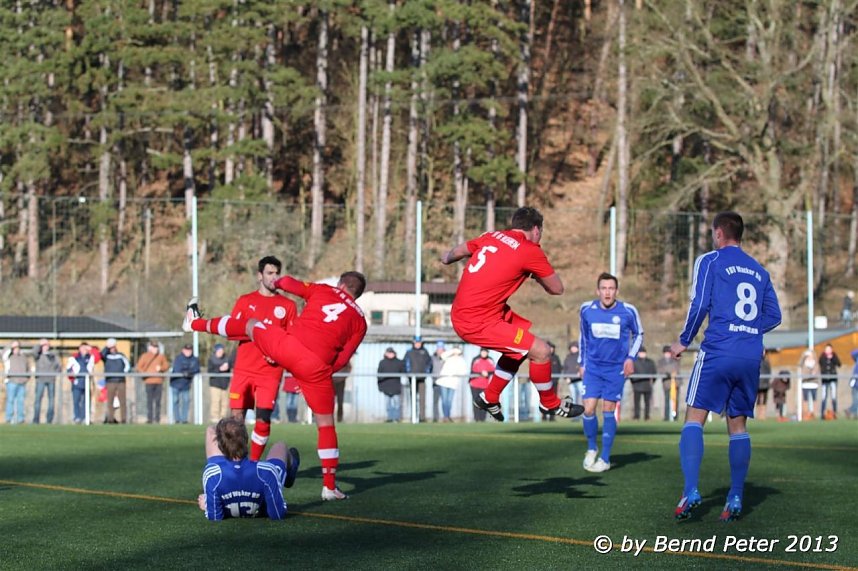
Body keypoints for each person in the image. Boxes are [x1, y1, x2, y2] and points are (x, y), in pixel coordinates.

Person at [185, 270, 367, 501]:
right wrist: (316, 375)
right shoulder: (360, 321)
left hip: (287, 346)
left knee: (250, 325)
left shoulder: (324, 290)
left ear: (340, 283)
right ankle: (329, 487)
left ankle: (196, 323)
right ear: (357, 295)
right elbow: (343, 358)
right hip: (317, 367)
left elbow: (291, 284)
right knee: (326, 425)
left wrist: (278, 281)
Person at [669, 212, 781, 523]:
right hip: (749, 355)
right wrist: (747, 329)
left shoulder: (710, 261)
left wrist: (683, 341)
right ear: (740, 234)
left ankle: (690, 490)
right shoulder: (759, 271)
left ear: (718, 233)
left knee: (694, 418)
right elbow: (775, 316)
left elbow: (700, 302)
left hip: (718, 350)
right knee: (738, 427)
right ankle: (735, 497)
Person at [440, 206, 582, 422]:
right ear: (536, 229)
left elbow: (457, 252)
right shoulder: (529, 250)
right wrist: (537, 275)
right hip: (477, 321)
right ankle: (550, 403)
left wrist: (446, 258)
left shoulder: (491, 236)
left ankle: (490, 396)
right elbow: (557, 288)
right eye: (540, 232)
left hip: (472, 311)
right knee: (542, 351)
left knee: (518, 345)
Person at [225, 256, 297, 460]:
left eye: (277, 273)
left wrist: (279, 354)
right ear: (259, 275)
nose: (274, 278)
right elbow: (231, 331)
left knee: (263, 420)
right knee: (236, 419)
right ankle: (236, 462)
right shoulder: (245, 301)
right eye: (269, 273)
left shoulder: (288, 306)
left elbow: (291, 340)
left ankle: (254, 463)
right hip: (244, 370)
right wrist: (255, 332)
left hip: (270, 373)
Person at [578, 272, 644, 472]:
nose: (607, 292)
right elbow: (583, 337)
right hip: (593, 367)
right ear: (598, 291)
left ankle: (605, 458)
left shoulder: (628, 311)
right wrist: (582, 362)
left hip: (615, 369)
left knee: (608, 409)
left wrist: (630, 358)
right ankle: (591, 447)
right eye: (604, 288)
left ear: (616, 291)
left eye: (611, 288)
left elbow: (639, 334)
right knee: (588, 409)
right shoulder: (586, 310)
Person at [199, 418, 300, 521]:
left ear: (220, 447)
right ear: (246, 439)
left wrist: (207, 504)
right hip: (260, 475)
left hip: (223, 474)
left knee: (211, 430)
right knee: (280, 446)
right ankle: (291, 471)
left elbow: (214, 517)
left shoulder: (212, 474)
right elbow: (278, 514)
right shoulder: (268, 471)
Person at [136, 340, 170, 424]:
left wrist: (161, 368)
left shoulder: (161, 356)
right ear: (150, 347)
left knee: (158, 401)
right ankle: (150, 418)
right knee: (149, 401)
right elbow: (139, 367)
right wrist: (144, 373)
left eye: (156, 347)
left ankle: (157, 418)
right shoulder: (145, 356)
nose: (155, 349)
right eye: (154, 347)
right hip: (149, 381)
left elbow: (166, 365)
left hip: (158, 381)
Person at [101, 338, 131, 424]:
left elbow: (127, 365)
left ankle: (123, 419)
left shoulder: (121, 355)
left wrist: (123, 373)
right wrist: (107, 347)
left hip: (121, 381)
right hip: (110, 381)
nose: (112, 349)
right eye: (111, 347)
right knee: (110, 401)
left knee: (122, 401)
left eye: (113, 347)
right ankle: (110, 419)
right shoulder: (106, 356)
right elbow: (101, 355)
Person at [435, 346, 468, 422]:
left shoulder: (461, 360)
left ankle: (448, 415)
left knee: (449, 401)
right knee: (444, 400)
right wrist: (452, 351)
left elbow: (464, 372)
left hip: (453, 383)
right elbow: (442, 355)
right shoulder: (448, 357)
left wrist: (456, 373)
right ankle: (445, 416)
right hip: (443, 381)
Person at [32, 338, 62, 424]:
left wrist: (54, 374)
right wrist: (39, 344)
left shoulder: (53, 355)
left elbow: (59, 366)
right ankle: (36, 420)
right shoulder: (38, 355)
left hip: (51, 380)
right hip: (40, 380)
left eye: (47, 345)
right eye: (44, 345)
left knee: (51, 400)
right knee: (37, 400)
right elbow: (34, 352)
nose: (45, 347)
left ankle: (49, 420)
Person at [403, 338, 432, 422]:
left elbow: (429, 363)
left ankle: (422, 417)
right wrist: (408, 374)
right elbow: (405, 363)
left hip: (422, 379)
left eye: (419, 342)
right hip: (412, 379)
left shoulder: (425, 352)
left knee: (422, 399)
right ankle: (413, 416)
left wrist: (426, 372)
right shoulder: (409, 352)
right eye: (416, 342)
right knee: (413, 398)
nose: (418, 344)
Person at [171, 343, 200, 424]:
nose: (188, 352)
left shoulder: (194, 359)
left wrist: (189, 372)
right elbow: (177, 369)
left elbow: (196, 369)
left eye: (190, 350)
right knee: (175, 401)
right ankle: (177, 419)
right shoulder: (178, 358)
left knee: (186, 401)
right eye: (187, 350)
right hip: (175, 383)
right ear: (183, 350)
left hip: (186, 384)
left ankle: (184, 419)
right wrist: (185, 372)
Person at [66, 343, 95, 424]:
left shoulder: (90, 357)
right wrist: (72, 376)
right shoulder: (74, 358)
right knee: (76, 400)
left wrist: (91, 349)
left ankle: (85, 417)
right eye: (82, 348)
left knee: (86, 401)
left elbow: (98, 356)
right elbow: (68, 369)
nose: (84, 350)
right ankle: (77, 417)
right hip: (77, 381)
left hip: (87, 381)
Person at [3, 341, 31, 424]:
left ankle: (20, 419)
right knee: (10, 400)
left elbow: (28, 367)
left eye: (17, 347)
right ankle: (9, 418)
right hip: (12, 381)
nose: (16, 349)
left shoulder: (23, 356)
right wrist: (10, 346)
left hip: (22, 382)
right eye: (14, 347)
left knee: (21, 401)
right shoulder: (8, 356)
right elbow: (4, 354)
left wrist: (26, 378)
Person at [377, 347, 405, 422]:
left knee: (397, 404)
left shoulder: (399, 362)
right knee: (388, 405)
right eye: (388, 352)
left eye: (391, 352)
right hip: (386, 387)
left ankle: (396, 418)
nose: (390, 354)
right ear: (386, 353)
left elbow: (404, 372)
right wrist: (380, 387)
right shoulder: (382, 362)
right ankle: (389, 418)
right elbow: (379, 375)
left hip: (396, 387)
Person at [207, 343, 232, 422]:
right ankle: (215, 417)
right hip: (215, 384)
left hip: (225, 384)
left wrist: (227, 367)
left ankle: (223, 418)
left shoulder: (226, 359)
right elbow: (210, 371)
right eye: (219, 351)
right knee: (216, 401)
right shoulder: (211, 360)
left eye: (222, 350)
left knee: (225, 402)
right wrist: (219, 369)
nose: (221, 352)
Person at [539, 341, 563, 421]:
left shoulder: (556, 358)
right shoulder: (542, 357)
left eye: (552, 348)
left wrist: (557, 379)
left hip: (554, 382)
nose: (551, 350)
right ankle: (544, 416)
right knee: (544, 399)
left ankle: (552, 416)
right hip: (545, 383)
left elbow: (559, 369)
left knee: (554, 399)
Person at [631, 346, 657, 421]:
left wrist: (652, 382)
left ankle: (647, 416)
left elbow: (654, 373)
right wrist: (633, 382)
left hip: (647, 385)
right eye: (641, 352)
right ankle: (636, 416)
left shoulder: (650, 362)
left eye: (643, 352)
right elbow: (632, 373)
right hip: (637, 385)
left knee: (647, 402)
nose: (642, 354)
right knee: (637, 403)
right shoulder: (635, 362)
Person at [657, 345, 681, 421]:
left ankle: (675, 416)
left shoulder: (675, 360)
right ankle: (667, 416)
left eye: (668, 352)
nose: (667, 354)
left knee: (675, 400)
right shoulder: (661, 362)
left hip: (675, 383)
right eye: (666, 352)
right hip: (667, 383)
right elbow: (660, 370)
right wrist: (667, 373)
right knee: (667, 400)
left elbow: (677, 368)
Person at [470, 348, 495, 422]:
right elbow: (472, 371)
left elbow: (494, 371)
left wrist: (488, 373)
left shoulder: (490, 360)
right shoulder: (475, 359)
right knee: (476, 402)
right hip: (474, 384)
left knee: (484, 402)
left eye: (485, 351)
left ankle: (482, 419)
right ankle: (476, 418)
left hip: (485, 385)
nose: (484, 353)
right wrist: (481, 373)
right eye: (483, 351)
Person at [818, 344, 841, 420]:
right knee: (824, 397)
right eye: (827, 349)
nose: (828, 351)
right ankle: (822, 414)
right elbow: (820, 363)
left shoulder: (834, 356)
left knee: (833, 397)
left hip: (833, 379)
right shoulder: (822, 357)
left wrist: (833, 358)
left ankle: (835, 413)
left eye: (829, 349)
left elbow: (839, 364)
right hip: (825, 380)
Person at [798, 349, 820, 420]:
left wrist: (812, 374)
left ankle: (814, 414)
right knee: (805, 399)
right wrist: (803, 356)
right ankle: (805, 414)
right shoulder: (804, 363)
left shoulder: (816, 364)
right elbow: (799, 365)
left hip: (814, 384)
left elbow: (815, 373)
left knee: (814, 399)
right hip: (805, 384)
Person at [562, 341, 583, 405]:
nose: (573, 349)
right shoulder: (568, 357)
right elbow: (565, 368)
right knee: (573, 396)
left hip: (579, 380)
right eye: (572, 347)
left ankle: (582, 412)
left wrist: (580, 373)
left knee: (581, 396)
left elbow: (583, 366)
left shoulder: (581, 357)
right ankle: (575, 412)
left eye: (575, 347)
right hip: (570, 380)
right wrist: (566, 377)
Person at [430, 341, 446, 422]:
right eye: (438, 349)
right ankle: (435, 418)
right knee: (435, 401)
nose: (439, 350)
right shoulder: (432, 357)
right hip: (436, 382)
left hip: (445, 382)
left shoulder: (447, 357)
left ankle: (446, 417)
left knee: (445, 401)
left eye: (441, 349)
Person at [756, 349, 772, 420]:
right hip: (759, 383)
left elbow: (769, 372)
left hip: (765, 383)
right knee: (759, 398)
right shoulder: (757, 361)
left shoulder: (766, 362)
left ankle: (763, 415)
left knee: (764, 398)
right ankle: (759, 415)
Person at [846, 349, 858, 419]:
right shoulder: (857, 357)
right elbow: (852, 353)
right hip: (855, 382)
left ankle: (854, 413)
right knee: (856, 399)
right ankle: (850, 411)